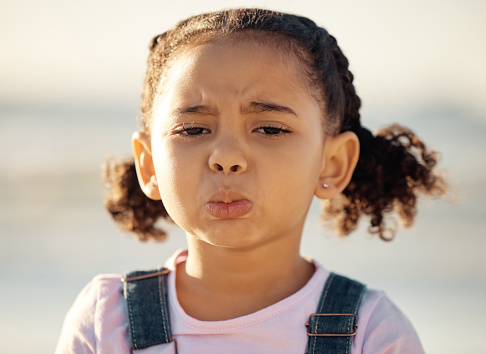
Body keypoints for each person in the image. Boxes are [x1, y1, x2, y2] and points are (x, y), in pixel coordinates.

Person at [56, 8, 446, 353]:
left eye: (270, 129)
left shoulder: (372, 333)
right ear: (149, 165)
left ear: (332, 164)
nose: (226, 158)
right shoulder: (108, 323)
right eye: (192, 129)